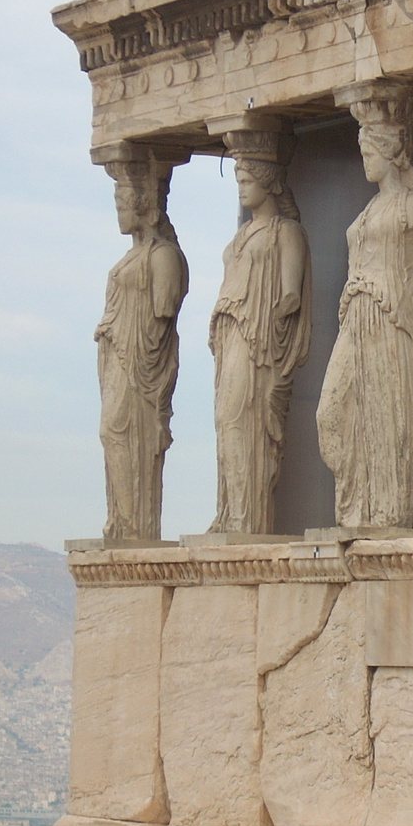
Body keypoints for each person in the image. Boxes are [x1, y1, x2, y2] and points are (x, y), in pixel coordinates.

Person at [317, 123, 413, 527]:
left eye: (369, 151)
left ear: (390, 153)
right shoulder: (369, 209)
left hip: (390, 320)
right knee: (331, 414)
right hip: (355, 316)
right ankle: (357, 505)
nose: (364, 159)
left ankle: (390, 510)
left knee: (387, 414)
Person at [209, 158, 311, 535]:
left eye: (248, 179)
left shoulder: (286, 232)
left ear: (269, 182)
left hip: (259, 341)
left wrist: (263, 318)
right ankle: (231, 514)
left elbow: (290, 296)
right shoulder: (241, 236)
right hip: (231, 335)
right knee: (226, 421)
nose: (242, 187)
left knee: (242, 421)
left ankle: (246, 519)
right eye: (239, 179)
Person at [94, 162, 188, 541]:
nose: (119, 209)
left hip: (140, 365)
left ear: (145, 204)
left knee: (124, 434)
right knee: (111, 435)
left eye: (124, 202)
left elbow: (164, 310)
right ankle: (123, 523)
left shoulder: (163, 255)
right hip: (118, 359)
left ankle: (138, 526)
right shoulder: (133, 257)